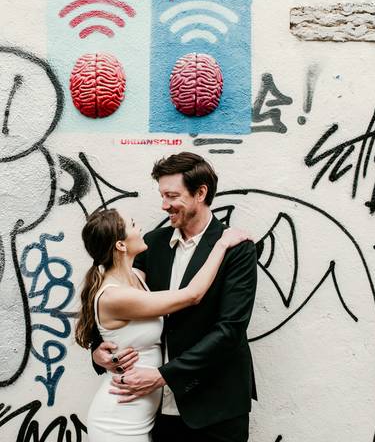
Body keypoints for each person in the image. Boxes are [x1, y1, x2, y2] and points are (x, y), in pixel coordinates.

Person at [91, 152, 258, 442]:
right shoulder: (151, 244)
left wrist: (164, 375)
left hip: (215, 408)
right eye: (162, 195)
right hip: (155, 411)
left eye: (172, 195)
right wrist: (98, 349)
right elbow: (117, 298)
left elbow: (230, 329)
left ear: (200, 193)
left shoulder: (236, 248)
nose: (164, 205)